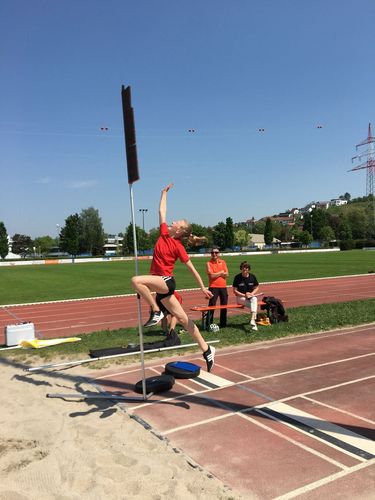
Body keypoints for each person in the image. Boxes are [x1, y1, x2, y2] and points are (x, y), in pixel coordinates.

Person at [131, 183, 216, 372]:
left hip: (166, 282)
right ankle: (207, 349)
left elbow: (192, 269)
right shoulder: (163, 233)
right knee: (184, 319)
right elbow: (162, 210)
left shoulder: (178, 246)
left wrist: (202, 287)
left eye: (177, 222)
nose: (173, 221)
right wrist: (163, 193)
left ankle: (155, 310)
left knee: (136, 280)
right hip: (163, 290)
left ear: (179, 230)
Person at [232, 261, 260, 331]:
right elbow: (235, 291)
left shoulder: (252, 277)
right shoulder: (237, 277)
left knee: (254, 299)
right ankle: (253, 320)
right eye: (243, 267)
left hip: (250, 297)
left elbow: (256, 287)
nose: (245, 269)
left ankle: (253, 321)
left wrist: (251, 294)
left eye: (246, 267)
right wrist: (245, 295)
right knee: (254, 304)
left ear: (248, 269)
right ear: (241, 268)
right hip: (240, 298)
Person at [205, 247, 228, 329]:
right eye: (212, 253)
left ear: (219, 253)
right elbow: (211, 276)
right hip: (213, 287)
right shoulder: (208, 263)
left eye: (216, 252)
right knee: (211, 305)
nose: (214, 254)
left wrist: (217, 274)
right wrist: (221, 272)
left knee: (224, 305)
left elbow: (227, 274)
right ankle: (208, 323)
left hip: (223, 287)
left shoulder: (223, 262)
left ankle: (223, 323)